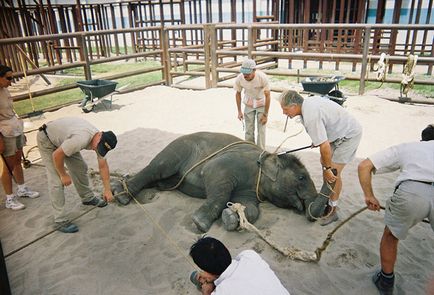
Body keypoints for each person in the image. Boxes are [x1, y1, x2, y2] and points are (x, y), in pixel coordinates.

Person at [358, 124, 434, 295]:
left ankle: (386, 280)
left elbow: (364, 166)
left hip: (412, 191)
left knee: (391, 236)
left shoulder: (410, 147)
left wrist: (369, 196)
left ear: (422, 139)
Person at [279, 90, 362, 225]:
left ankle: (332, 210)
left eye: (285, 109)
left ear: (294, 106)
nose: (284, 113)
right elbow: (323, 134)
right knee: (324, 163)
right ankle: (328, 200)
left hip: (348, 135)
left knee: (333, 172)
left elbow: (324, 146)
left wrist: (328, 168)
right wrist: (320, 139)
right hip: (336, 133)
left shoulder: (311, 115)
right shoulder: (307, 105)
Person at [36, 117, 117, 233]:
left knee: (81, 167)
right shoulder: (81, 139)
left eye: (101, 149)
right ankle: (60, 220)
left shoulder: (100, 141)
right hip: (47, 140)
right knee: (57, 180)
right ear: (99, 135)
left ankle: (87, 198)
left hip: (65, 141)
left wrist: (107, 190)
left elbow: (103, 166)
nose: (96, 149)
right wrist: (63, 175)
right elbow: (57, 155)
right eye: (98, 146)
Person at [189, 236, 290, 295]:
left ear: (208, 273)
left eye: (202, 270)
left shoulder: (223, 292)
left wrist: (208, 291)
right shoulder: (249, 255)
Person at [0, 64, 39, 211]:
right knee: (7, 167)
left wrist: (20, 129)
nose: (11, 81)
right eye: (8, 78)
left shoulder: (4, 89)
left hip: (14, 127)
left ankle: (22, 188)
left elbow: (10, 110)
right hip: (4, 132)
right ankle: (9, 198)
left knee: (18, 161)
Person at [234, 59, 271, 150]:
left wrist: (265, 114)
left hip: (261, 103)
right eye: (244, 73)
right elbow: (238, 94)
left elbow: (268, 96)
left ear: (254, 70)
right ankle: (250, 149)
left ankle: (260, 150)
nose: (245, 75)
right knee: (249, 129)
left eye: (248, 73)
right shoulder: (240, 78)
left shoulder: (262, 77)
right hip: (249, 103)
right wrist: (239, 111)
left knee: (261, 129)